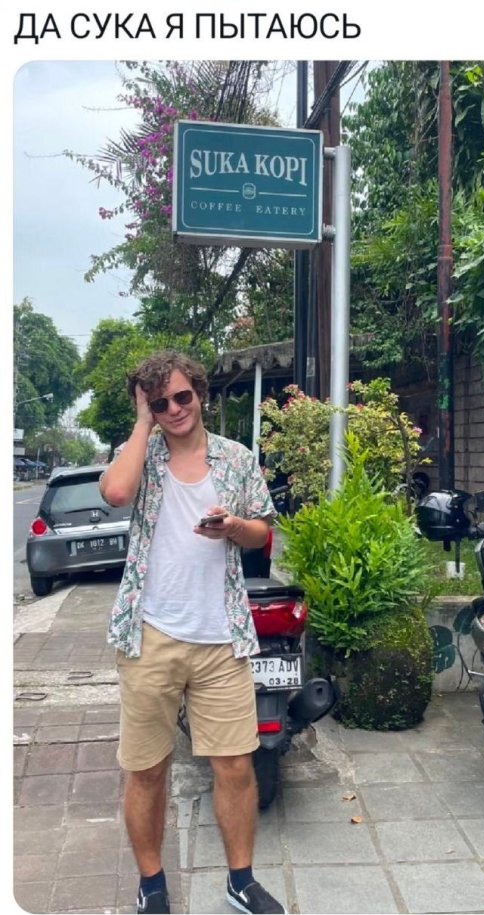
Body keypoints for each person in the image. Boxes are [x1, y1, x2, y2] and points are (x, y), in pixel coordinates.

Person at [100, 351, 285, 915]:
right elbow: (115, 493)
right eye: (161, 403)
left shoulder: (236, 458)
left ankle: (240, 881)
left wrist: (234, 527)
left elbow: (262, 532)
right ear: (150, 408)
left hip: (221, 635)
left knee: (235, 765)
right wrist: (141, 423)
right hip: (150, 636)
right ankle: (152, 885)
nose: (175, 409)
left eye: (182, 396)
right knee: (146, 769)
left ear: (200, 393)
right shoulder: (142, 453)